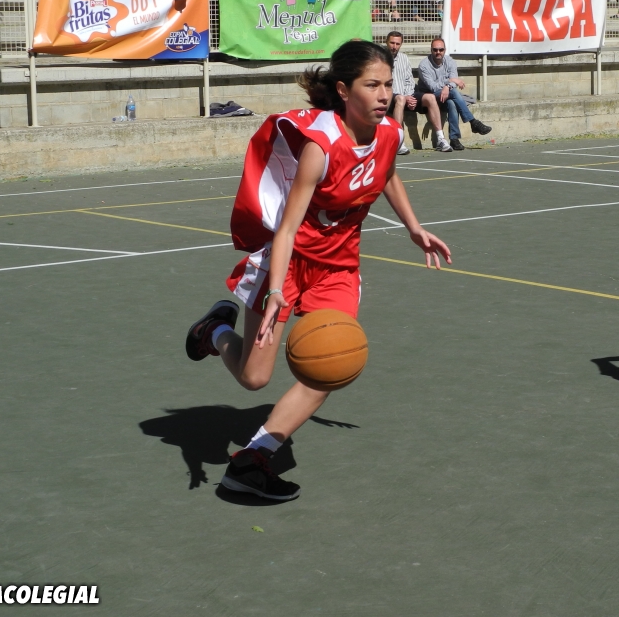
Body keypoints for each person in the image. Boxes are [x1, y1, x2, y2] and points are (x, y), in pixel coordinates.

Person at [184, 40, 452, 500]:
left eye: (387, 84)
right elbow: (287, 229)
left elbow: (387, 172)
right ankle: (216, 332)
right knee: (254, 379)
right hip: (289, 262)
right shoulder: (321, 145)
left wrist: (414, 227)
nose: (384, 94)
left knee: (332, 363)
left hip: (338, 266)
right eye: (372, 85)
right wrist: (274, 291)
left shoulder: (389, 132)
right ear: (344, 90)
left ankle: (252, 459)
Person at [416, 39, 492, 151]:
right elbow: (433, 87)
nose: (438, 52)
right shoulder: (424, 65)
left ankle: (454, 139)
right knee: (454, 92)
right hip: (429, 97)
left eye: (441, 49)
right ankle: (473, 122)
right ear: (431, 50)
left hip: (446, 95)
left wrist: (448, 86)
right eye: (435, 50)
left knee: (452, 103)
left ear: (445, 50)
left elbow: (453, 82)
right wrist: (450, 81)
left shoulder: (450, 61)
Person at [386, 31, 444, 152]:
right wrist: (404, 97)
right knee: (400, 98)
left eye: (397, 44)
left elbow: (409, 80)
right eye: (392, 43)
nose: (394, 46)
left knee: (430, 97)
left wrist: (409, 96)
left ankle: (441, 139)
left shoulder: (404, 58)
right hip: (390, 97)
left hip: (407, 94)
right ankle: (399, 142)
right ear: (387, 42)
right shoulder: (380, 59)